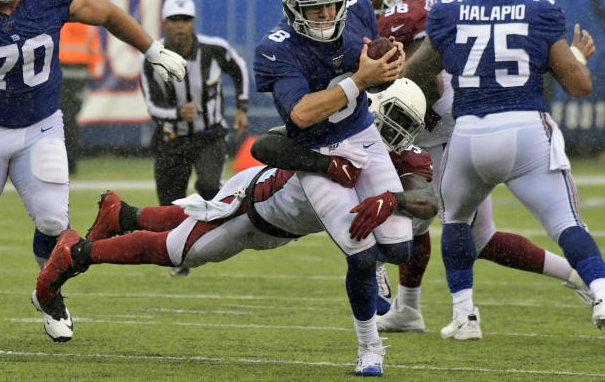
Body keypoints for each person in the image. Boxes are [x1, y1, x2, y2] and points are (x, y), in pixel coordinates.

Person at [33, 81, 438, 365]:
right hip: (254, 203)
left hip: (282, 227)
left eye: (406, 123)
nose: (394, 130)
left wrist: (393, 198)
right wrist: (325, 163)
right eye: (392, 116)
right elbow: (266, 145)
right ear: (376, 104)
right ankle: (77, 251)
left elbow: (425, 201)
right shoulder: (340, 125)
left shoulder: (406, 160)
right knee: (178, 250)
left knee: (194, 217)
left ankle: (120, 214)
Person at [351, 0, 592, 335]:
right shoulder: (404, 13)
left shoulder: (414, 12)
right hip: (425, 131)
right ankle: (408, 307)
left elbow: (417, 75)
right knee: (454, 229)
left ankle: (576, 276)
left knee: (453, 227)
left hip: (447, 131)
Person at [0, 0, 186, 343]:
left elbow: (108, 14)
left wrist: (151, 49)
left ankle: (50, 296)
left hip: (40, 124)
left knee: (53, 222)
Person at [253, 0, 407, 376]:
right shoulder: (276, 46)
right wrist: (359, 79)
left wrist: (390, 68)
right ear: (292, 9)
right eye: (315, 10)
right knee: (360, 255)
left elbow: (376, 69)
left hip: (364, 136)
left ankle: (378, 264)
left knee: (399, 249)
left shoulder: (356, 6)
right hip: (319, 154)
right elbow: (301, 114)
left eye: (330, 7)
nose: (326, 15)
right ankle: (369, 348)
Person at [140, 0, 250, 207]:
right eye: (174, 20)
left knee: (211, 190)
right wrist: (177, 113)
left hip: (209, 136)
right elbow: (152, 107)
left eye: (186, 20)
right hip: (171, 137)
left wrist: (242, 107)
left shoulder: (214, 49)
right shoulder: (150, 59)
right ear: (164, 23)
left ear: (193, 22)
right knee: (170, 205)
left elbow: (240, 69)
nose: (180, 26)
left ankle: (212, 239)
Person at [59, 22, 104, 175]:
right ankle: (70, 164)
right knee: (71, 121)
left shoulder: (57, 17)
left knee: (59, 121)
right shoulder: (90, 23)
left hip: (59, 75)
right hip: (80, 77)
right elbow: (96, 53)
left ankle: (61, 162)